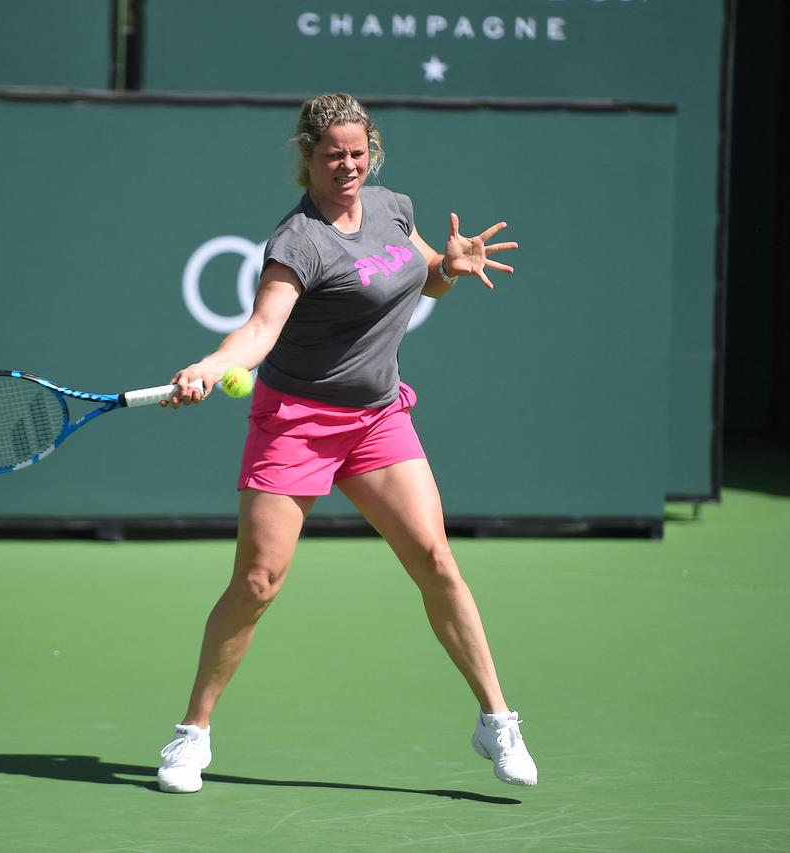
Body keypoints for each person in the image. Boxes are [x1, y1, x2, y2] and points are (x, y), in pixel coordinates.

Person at [157, 92, 538, 793]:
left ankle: (496, 718)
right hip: (297, 421)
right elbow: (261, 331)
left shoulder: (394, 207)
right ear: (306, 157)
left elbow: (425, 279)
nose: (347, 166)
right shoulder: (297, 241)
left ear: (373, 153)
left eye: (358, 153)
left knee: (434, 557)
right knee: (256, 583)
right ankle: (192, 733)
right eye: (333, 154)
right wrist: (212, 367)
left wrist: (450, 265)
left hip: (376, 418)